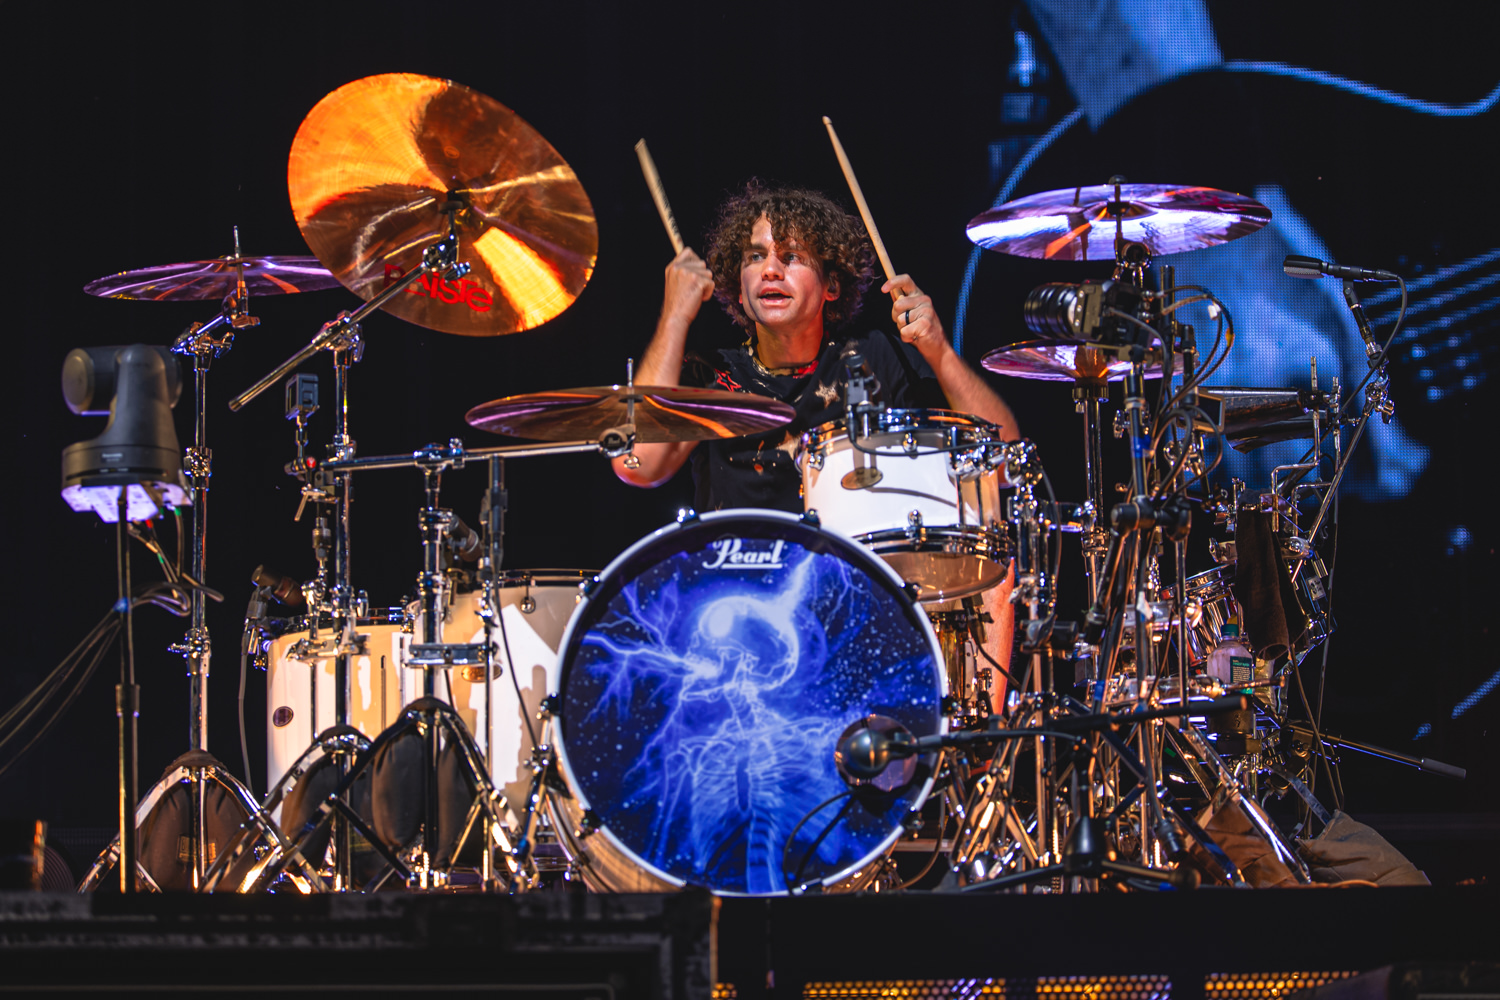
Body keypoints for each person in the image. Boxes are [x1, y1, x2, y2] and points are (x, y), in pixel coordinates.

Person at [614, 183, 1021, 710]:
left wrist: (936, 347)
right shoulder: (710, 377)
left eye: (791, 257)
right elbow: (639, 465)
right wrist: (675, 315)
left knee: (987, 554)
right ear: (737, 286)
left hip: (854, 601)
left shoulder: (873, 358)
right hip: (740, 608)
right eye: (755, 257)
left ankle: (979, 743)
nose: (770, 270)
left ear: (831, 285)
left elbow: (1001, 458)